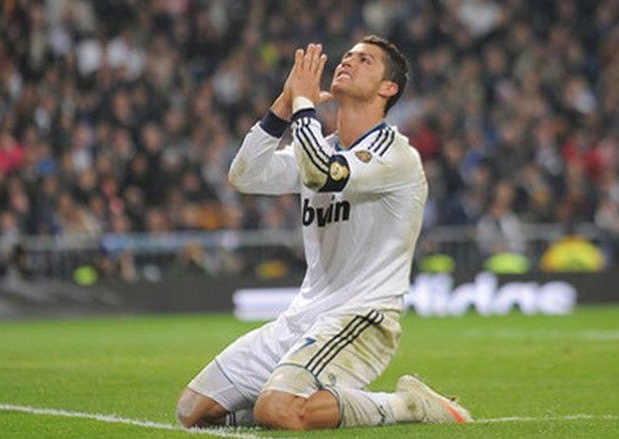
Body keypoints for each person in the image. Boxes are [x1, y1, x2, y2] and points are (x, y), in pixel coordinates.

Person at [176, 36, 472, 431]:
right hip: (303, 318)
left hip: (362, 317)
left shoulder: (395, 154)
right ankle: (296, 400)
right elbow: (245, 175)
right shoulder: (322, 146)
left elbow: (320, 172)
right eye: (347, 55)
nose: (348, 61)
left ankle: (406, 405)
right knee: (193, 412)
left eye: (364, 60)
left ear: (389, 88)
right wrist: (284, 103)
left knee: (278, 410)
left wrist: (304, 103)